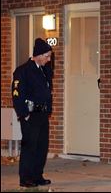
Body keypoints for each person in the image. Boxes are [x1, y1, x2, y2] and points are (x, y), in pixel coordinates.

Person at [12, 38, 53, 187]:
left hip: (42, 114)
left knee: (42, 146)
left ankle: (37, 175)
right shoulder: (23, 71)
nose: (49, 60)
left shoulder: (44, 70)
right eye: (47, 56)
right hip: (30, 115)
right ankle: (26, 178)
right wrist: (24, 114)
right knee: (30, 147)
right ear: (39, 55)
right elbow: (17, 95)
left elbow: (47, 91)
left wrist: (48, 110)